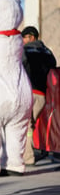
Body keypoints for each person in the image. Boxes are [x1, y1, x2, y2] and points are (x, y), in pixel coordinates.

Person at [21, 26, 57, 165]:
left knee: (26, 125)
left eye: (24, 37)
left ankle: (27, 157)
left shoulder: (25, 50)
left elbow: (20, 64)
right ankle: (28, 154)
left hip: (28, 92)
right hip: (41, 94)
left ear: (31, 37)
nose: (23, 41)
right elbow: (53, 64)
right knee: (30, 125)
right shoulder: (47, 51)